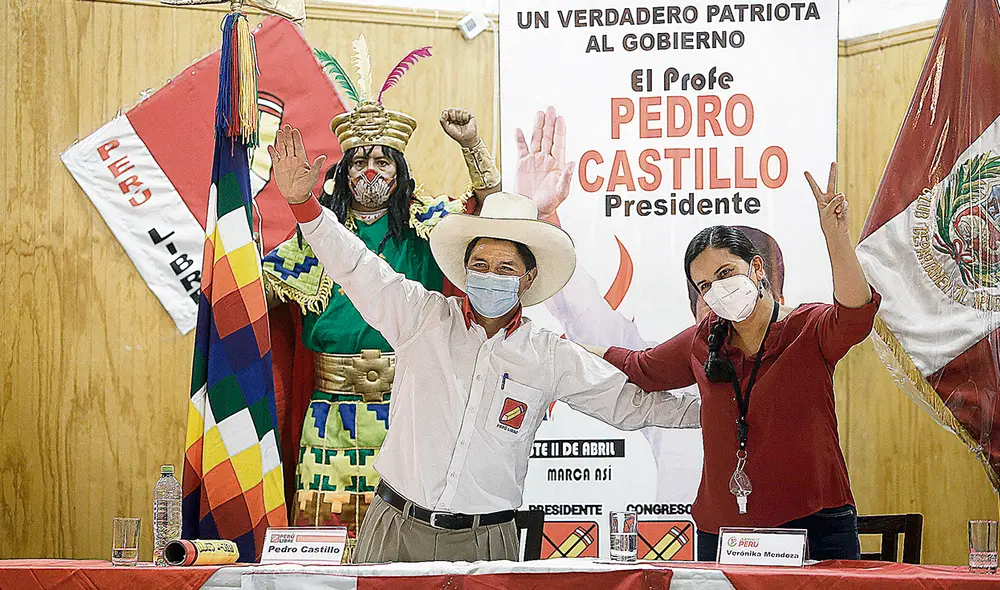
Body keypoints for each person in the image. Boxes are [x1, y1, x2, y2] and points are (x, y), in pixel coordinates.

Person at [269, 123, 701, 561]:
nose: (489, 276)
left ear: (528, 278)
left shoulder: (548, 355)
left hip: (486, 542)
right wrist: (304, 205)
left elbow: (632, 405)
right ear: (464, 270)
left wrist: (720, 413)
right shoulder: (421, 318)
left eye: (504, 267)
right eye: (479, 264)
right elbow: (357, 266)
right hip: (395, 529)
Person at [261, 38, 502, 547]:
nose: (370, 170)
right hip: (329, 413)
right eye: (359, 161)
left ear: (400, 173)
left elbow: (490, 213)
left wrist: (472, 147)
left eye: (383, 161)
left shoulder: (426, 228)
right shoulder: (315, 238)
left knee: (402, 542)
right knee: (324, 545)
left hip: (408, 406)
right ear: (344, 174)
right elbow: (253, 294)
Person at [586, 163, 878, 561]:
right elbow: (642, 368)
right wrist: (573, 351)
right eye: (704, 285)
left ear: (757, 269)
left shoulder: (806, 328)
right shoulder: (703, 340)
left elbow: (856, 316)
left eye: (726, 273)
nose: (717, 290)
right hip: (723, 528)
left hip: (815, 522)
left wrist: (836, 236)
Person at [516, 106, 787, 507]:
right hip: (690, 548)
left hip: (784, 545)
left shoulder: (804, 354)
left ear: (777, 295)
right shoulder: (682, 372)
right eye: (706, 291)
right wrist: (544, 218)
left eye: (736, 283)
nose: (723, 304)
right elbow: (585, 314)